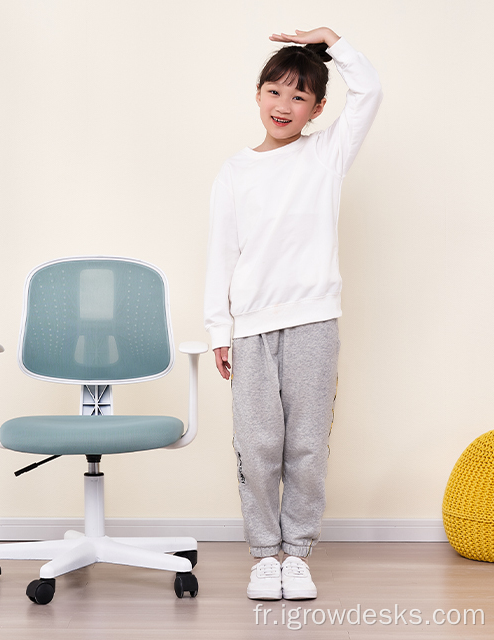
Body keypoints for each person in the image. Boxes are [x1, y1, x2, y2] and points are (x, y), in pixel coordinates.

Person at [204, 26, 382, 601]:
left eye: (299, 96)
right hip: (251, 327)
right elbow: (221, 255)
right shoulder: (234, 172)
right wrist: (218, 329)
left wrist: (333, 43)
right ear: (257, 95)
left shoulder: (326, 154)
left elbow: (371, 91)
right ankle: (264, 555)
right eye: (275, 91)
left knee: (305, 444)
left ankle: (297, 552)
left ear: (318, 107)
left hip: (313, 321)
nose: (285, 106)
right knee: (256, 444)